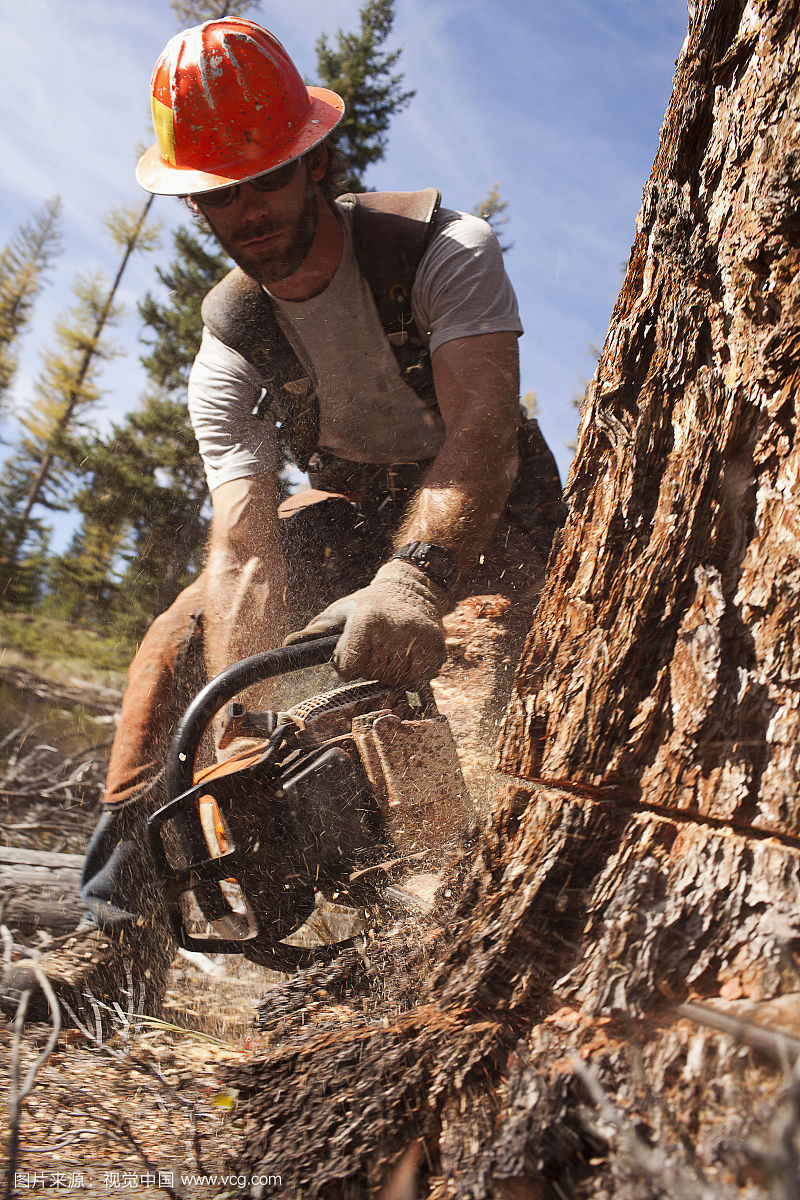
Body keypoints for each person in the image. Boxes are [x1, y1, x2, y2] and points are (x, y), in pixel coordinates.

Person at [1, 17, 565, 1021]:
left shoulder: (441, 251)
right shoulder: (231, 339)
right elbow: (244, 541)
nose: (245, 210)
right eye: (218, 193)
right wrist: (234, 727)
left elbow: (481, 431)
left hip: (493, 516)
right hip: (355, 508)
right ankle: (119, 940)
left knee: (456, 682)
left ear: (318, 162)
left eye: (263, 180)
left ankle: (437, 961)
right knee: (178, 643)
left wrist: (415, 582)